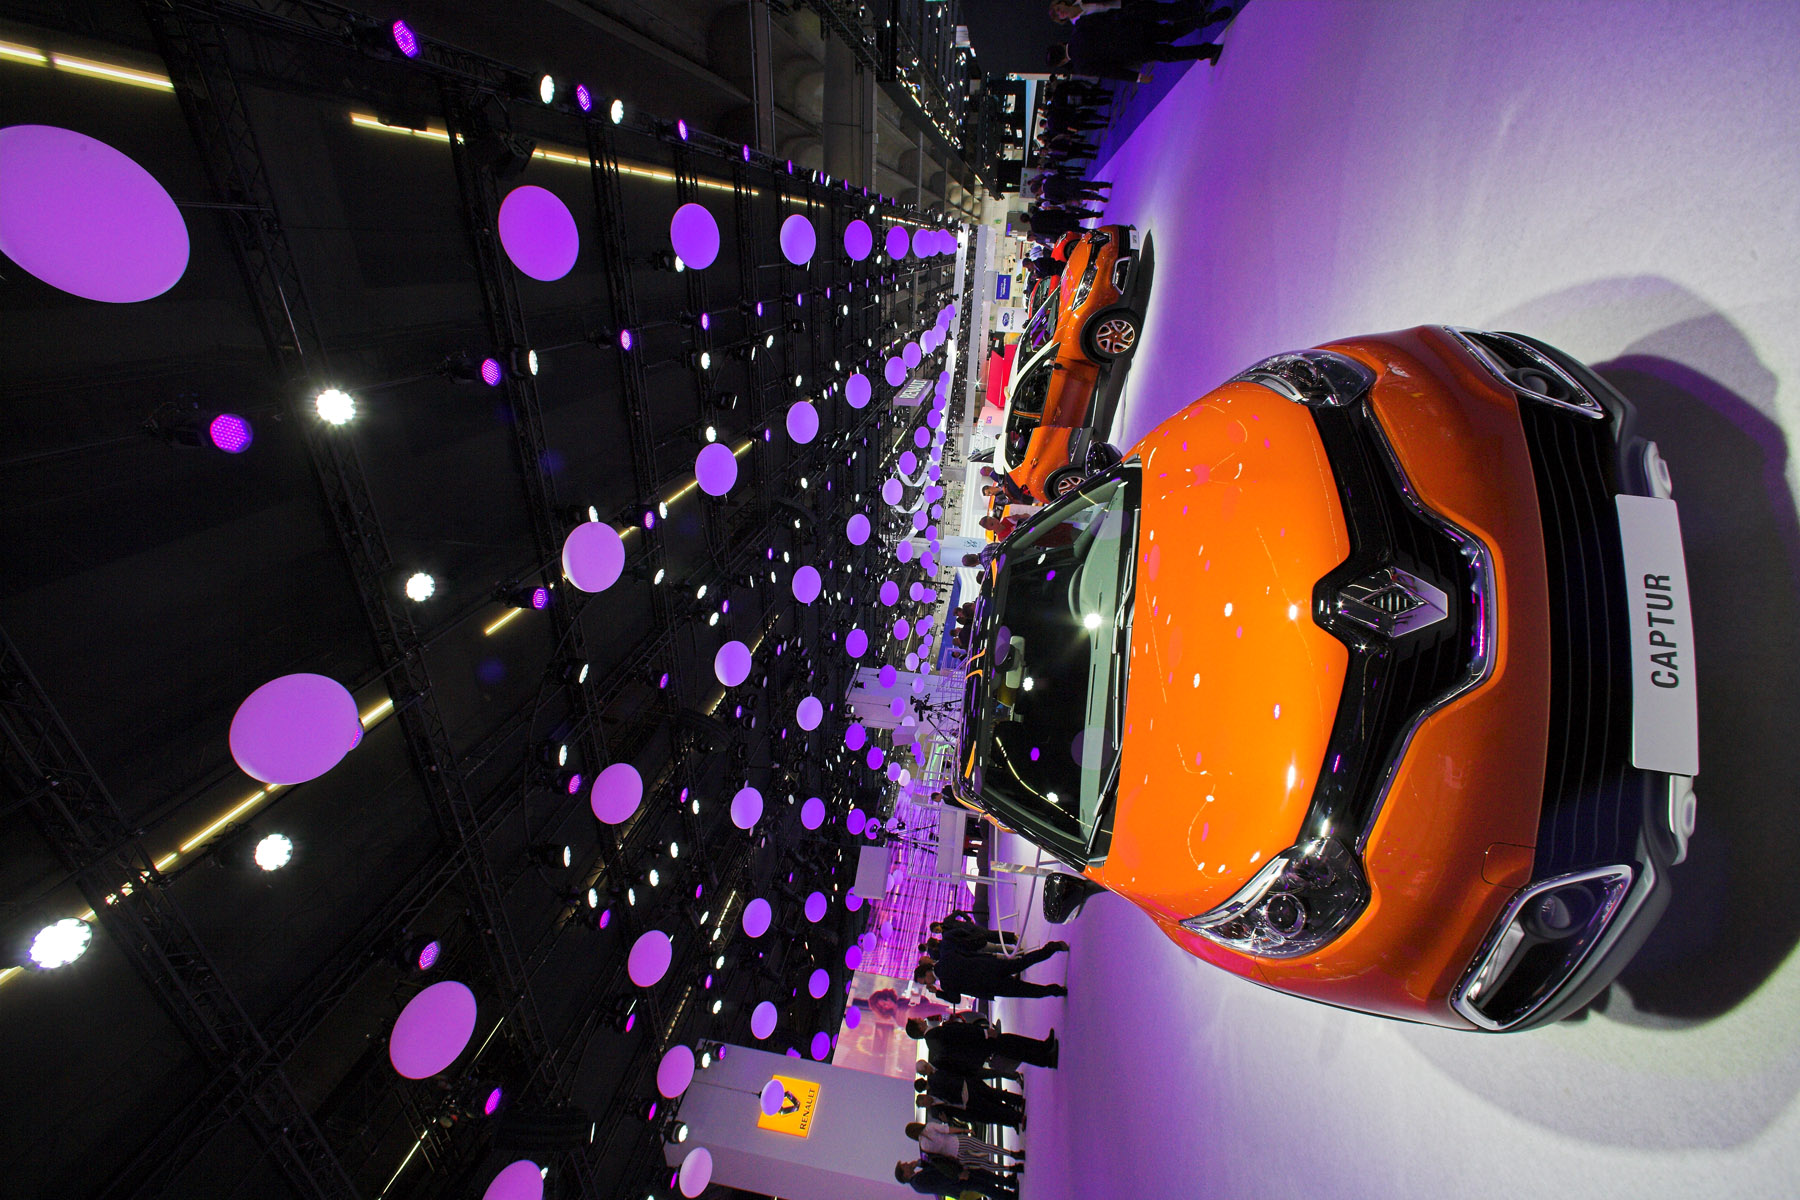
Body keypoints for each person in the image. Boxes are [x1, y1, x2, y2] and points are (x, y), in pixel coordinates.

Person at [918, 940, 1069, 1002]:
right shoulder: (946, 956)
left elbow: (955, 999)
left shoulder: (946, 984)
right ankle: (1050, 948)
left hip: (989, 986)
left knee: (1026, 991)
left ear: (927, 973)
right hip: (990, 966)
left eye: (924, 981)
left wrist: (938, 993)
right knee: (1022, 963)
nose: (927, 984)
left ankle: (1056, 991)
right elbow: (971, 955)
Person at [908, 1014, 1060, 1070]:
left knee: (1014, 1047)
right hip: (981, 1042)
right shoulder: (936, 1033)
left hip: (979, 1050)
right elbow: (962, 1033)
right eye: (917, 1020)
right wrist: (984, 1033)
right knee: (1015, 1046)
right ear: (919, 1027)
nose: (920, 1018)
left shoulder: (932, 1046)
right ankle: (1046, 1056)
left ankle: (1044, 1052)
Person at [907, 1120, 1025, 1172]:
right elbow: (948, 1130)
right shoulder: (929, 1127)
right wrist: (964, 1130)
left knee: (983, 1164)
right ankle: (1013, 1154)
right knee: (985, 1147)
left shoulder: (924, 1146)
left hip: (956, 1156)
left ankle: (1010, 1169)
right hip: (959, 1142)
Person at [896, 1157, 1017, 1200]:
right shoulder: (918, 1181)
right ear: (905, 1175)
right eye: (904, 1166)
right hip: (957, 1182)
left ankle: (1007, 1185)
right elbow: (940, 1181)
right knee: (983, 1185)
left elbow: (935, 1171)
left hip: (956, 1180)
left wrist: (921, 1164)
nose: (907, 1163)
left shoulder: (917, 1180)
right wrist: (957, 1177)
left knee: (983, 1178)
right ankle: (1008, 1196)